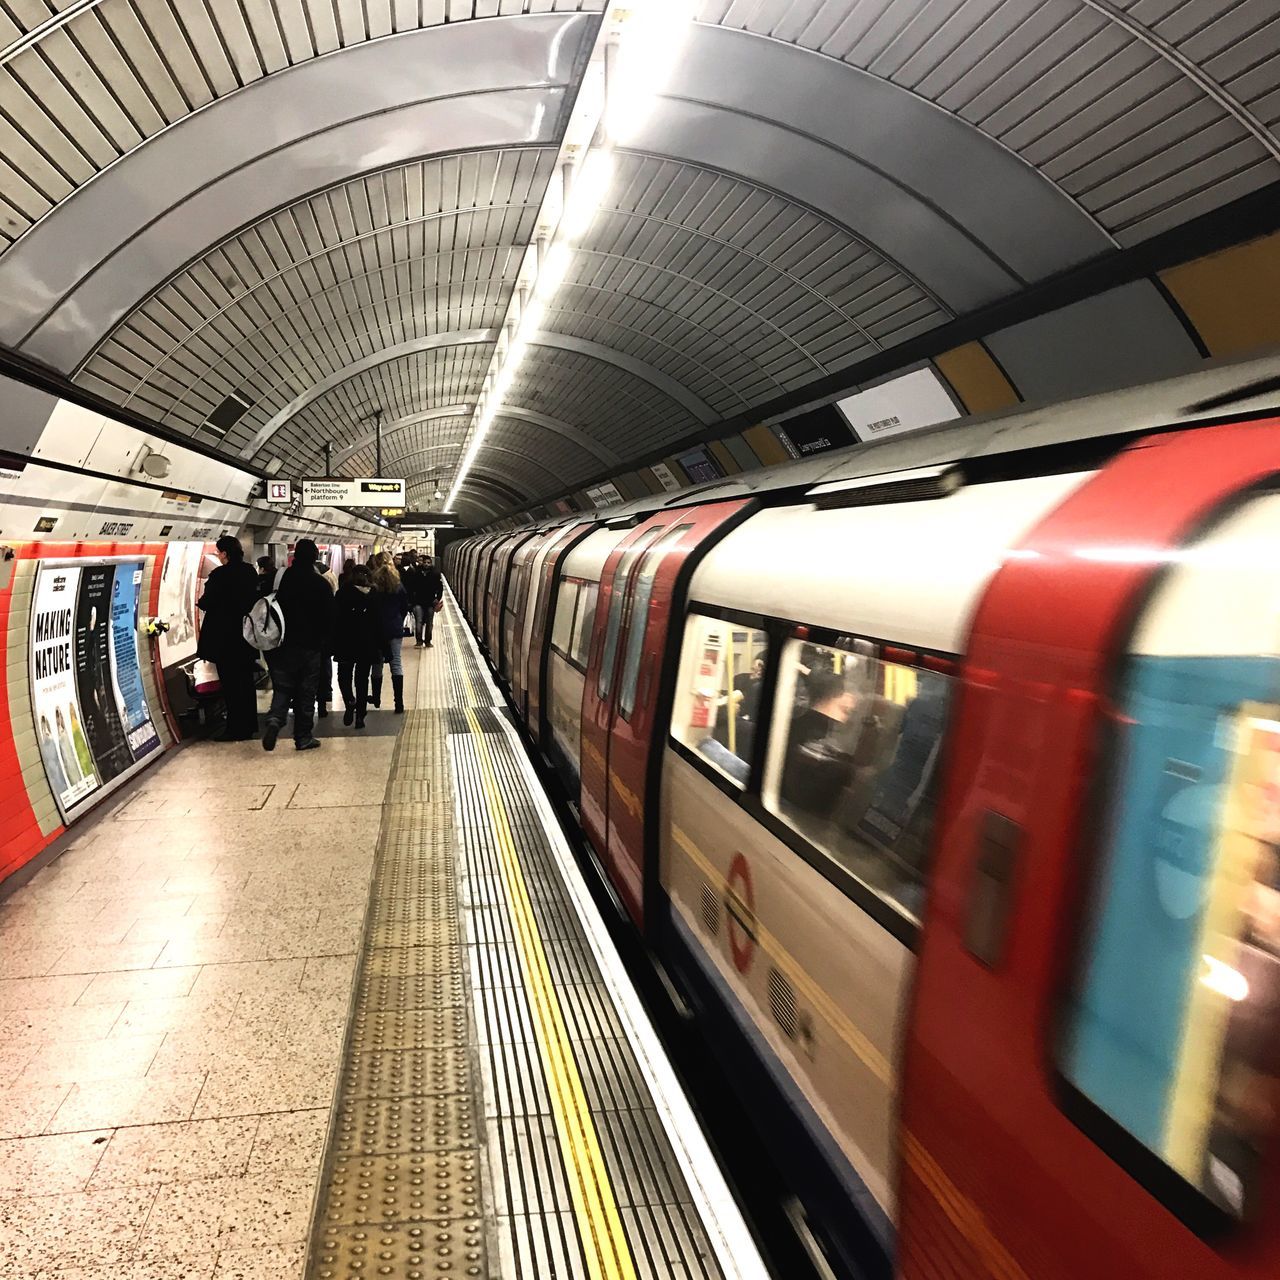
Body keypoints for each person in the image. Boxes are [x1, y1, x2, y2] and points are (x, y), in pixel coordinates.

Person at [262, 539, 335, 752]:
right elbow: (330, 617)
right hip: (309, 647)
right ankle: (303, 737)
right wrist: (326, 644)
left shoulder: (279, 581)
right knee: (306, 692)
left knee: (283, 688)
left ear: (294, 557)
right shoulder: (320, 584)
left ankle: (276, 718)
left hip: (281, 644)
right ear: (315, 557)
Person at [197, 535, 260, 741]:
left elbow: (206, 602)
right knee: (246, 684)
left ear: (224, 553)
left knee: (232, 686)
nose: (218, 555)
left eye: (218, 552)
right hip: (246, 636)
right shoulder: (250, 572)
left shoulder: (219, 575)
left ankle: (235, 728)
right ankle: (250, 725)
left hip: (225, 639)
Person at [779, 669, 858, 819]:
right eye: (849, 692)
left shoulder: (792, 724)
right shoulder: (834, 738)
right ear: (839, 695)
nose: (853, 698)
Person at [332, 563, 383, 729]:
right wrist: (382, 646)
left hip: (346, 642)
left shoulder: (342, 594)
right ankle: (360, 716)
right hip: (367, 644)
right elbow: (379, 622)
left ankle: (349, 701)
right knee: (362, 679)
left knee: (343, 675)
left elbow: (336, 619)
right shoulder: (375, 595)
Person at [369, 552, 410, 714]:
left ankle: (377, 698)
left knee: (376, 664)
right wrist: (397, 619)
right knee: (396, 664)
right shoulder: (398, 584)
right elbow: (404, 607)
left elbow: (371, 608)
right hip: (394, 627)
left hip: (377, 629)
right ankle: (398, 703)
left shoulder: (374, 585)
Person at [413, 554, 444, 647]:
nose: (426, 564)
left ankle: (427, 641)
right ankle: (419, 641)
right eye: (425, 562)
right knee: (419, 622)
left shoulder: (435, 574)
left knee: (429, 623)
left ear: (431, 563)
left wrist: (437, 599)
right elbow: (411, 587)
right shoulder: (416, 573)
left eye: (428, 563)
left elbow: (440, 588)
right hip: (418, 602)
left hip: (430, 603)